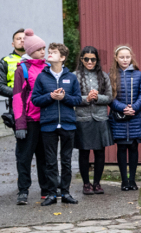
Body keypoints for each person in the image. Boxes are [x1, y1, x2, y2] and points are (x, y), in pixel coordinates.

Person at [32, 43, 82, 206]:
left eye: (54, 52)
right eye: (49, 52)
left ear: (62, 58)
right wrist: (50, 97)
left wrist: (64, 98)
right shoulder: (42, 76)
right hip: (48, 125)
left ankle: (66, 193)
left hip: (68, 125)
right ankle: (52, 194)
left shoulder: (72, 77)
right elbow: (35, 100)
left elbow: (77, 99)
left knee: (66, 161)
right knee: (50, 161)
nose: (49, 54)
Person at [11, 30, 51, 205]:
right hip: (29, 121)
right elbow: (18, 97)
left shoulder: (48, 68)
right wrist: (20, 124)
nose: (43, 51)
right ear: (30, 50)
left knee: (45, 157)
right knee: (24, 157)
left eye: (44, 48)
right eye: (39, 49)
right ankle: (23, 191)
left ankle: (46, 190)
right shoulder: (23, 69)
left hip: (46, 120)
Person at [74, 46, 114, 195]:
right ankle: (86, 183)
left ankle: (97, 183)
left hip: (100, 118)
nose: (90, 62)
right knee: (84, 152)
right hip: (83, 118)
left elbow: (109, 97)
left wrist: (97, 98)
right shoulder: (75, 76)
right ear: (82, 59)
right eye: (86, 59)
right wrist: (87, 98)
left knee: (99, 152)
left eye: (93, 59)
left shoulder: (103, 76)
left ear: (97, 60)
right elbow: (72, 98)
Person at [109, 45, 141, 191]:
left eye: (127, 57)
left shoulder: (138, 74)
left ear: (131, 57)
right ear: (116, 58)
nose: (125, 60)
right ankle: (124, 181)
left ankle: (132, 180)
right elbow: (110, 96)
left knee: (133, 147)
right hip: (119, 117)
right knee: (121, 147)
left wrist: (134, 107)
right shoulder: (111, 75)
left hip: (135, 116)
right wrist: (122, 108)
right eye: (122, 57)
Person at [2, 29, 26, 110]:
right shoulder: (5, 61)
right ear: (13, 44)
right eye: (18, 39)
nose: (22, 40)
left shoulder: (37, 60)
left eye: (24, 38)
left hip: (35, 104)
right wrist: (18, 93)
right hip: (15, 105)